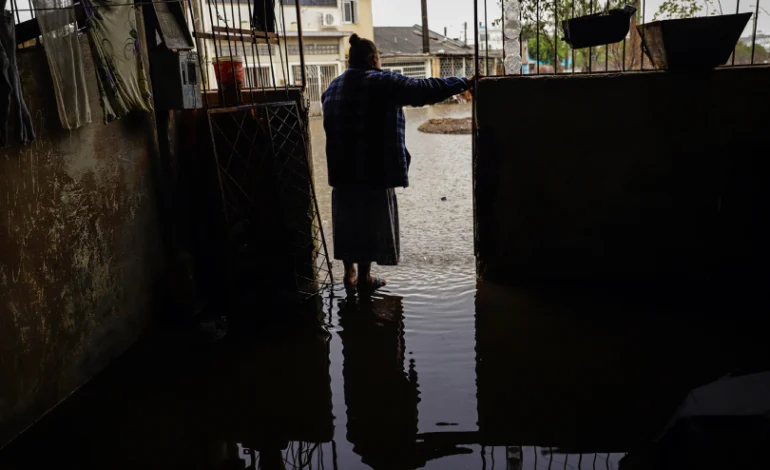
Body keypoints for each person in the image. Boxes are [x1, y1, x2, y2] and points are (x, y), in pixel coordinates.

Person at [322, 34, 476, 293]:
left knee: (347, 220)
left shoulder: (333, 87)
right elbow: (424, 89)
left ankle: (349, 274)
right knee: (370, 222)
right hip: (373, 171)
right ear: (375, 59)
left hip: (341, 172)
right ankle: (365, 279)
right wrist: (463, 83)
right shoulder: (380, 82)